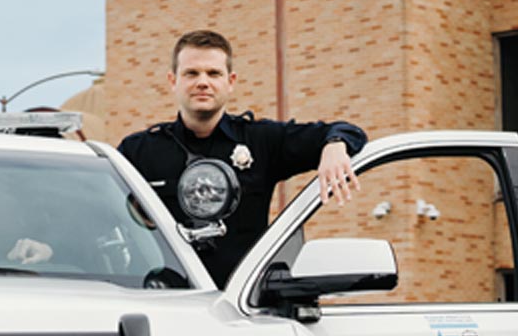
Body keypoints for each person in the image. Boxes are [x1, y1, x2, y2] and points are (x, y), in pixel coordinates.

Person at [116, 29, 366, 288]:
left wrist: (335, 146)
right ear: (173, 80)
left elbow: (348, 131)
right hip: (162, 299)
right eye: (191, 73)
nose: (203, 82)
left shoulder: (261, 140)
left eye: (213, 73)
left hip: (241, 301)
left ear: (230, 81)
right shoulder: (138, 151)